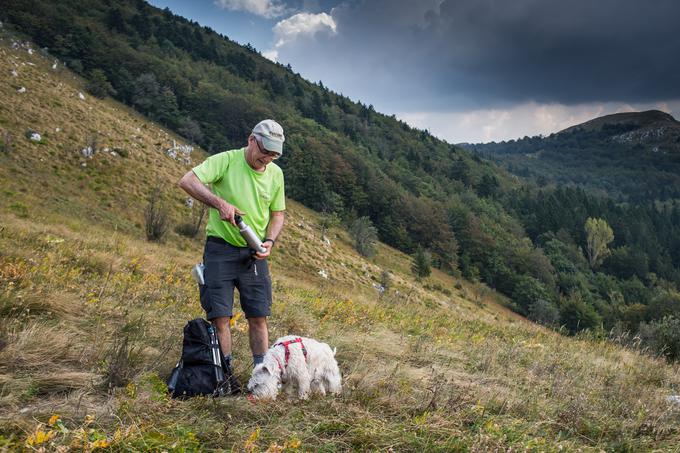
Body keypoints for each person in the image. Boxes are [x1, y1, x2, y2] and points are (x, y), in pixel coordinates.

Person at [178, 119, 286, 393]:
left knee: (258, 316)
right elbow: (187, 181)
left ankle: (262, 378)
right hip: (220, 250)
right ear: (252, 140)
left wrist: (270, 241)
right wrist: (219, 202)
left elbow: (278, 214)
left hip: (255, 253)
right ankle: (224, 379)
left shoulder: (275, 174)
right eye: (265, 151)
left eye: (274, 154)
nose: (267, 159)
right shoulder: (225, 161)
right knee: (221, 317)